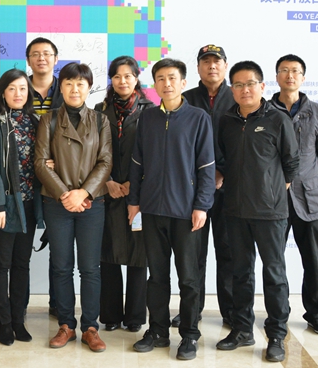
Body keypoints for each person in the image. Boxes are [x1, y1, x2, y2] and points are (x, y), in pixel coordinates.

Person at [127, 58, 215, 361]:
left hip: (186, 212)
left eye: (172, 78)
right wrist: (134, 202)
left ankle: (189, 334)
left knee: (189, 278)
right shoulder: (147, 118)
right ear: (155, 84)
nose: (167, 83)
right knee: (157, 277)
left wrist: (202, 205)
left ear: (183, 82)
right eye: (161, 78)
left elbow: (206, 167)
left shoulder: (198, 118)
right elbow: (137, 163)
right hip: (152, 210)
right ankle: (158, 330)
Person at [215, 61, 299, 363]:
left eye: (250, 84)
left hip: (270, 213)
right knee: (240, 273)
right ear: (232, 89)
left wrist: (272, 191)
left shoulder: (277, 119)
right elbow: (222, 160)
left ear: (262, 86)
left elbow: (291, 163)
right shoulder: (226, 121)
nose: (245, 90)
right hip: (235, 211)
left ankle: (276, 334)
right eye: (238, 85)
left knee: (274, 274)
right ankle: (242, 329)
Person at [34, 62, 112, 352]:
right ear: (61, 87)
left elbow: (106, 161)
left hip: (92, 202)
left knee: (90, 268)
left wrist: (83, 192)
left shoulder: (101, 120)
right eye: (68, 83)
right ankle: (66, 325)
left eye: (80, 83)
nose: (74, 89)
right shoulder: (49, 120)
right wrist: (66, 194)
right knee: (62, 266)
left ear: (89, 87)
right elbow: (40, 163)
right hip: (57, 202)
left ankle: (91, 327)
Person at [270, 54, 318, 334]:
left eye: (295, 71)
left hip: (309, 197)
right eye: (284, 70)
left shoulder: (317, 111)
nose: (290, 75)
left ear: (303, 77)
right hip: (274, 197)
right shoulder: (265, 110)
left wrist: (302, 178)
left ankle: (316, 313)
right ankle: (278, 313)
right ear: (277, 77)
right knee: (275, 260)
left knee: (313, 258)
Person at [0, 69, 44, 345]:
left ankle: (19, 320)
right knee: (2, 263)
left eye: (22, 88)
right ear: (3, 93)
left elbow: (43, 157)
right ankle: (4, 322)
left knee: (22, 264)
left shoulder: (36, 122)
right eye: (12, 89)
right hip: (5, 205)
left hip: (29, 204)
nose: (18, 94)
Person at [94, 56, 152, 333]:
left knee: (139, 256)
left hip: (139, 195)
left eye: (128, 75)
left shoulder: (151, 111)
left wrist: (134, 184)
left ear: (136, 78)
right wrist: (107, 182)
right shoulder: (99, 111)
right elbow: (90, 152)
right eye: (117, 76)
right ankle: (110, 315)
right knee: (108, 254)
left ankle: (135, 317)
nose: (122, 81)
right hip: (106, 193)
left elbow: (156, 154)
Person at [181, 44, 235, 329]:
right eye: (206, 62)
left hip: (229, 190)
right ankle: (192, 310)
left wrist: (222, 172)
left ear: (225, 65)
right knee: (193, 255)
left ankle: (230, 312)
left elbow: (242, 143)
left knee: (227, 252)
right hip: (192, 191)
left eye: (217, 61)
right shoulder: (186, 99)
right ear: (198, 68)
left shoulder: (237, 96)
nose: (212, 66)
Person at [26, 36, 63, 317]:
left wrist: (58, 162)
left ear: (55, 59)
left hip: (60, 177)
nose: (42, 58)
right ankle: (19, 306)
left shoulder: (68, 89)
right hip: (24, 177)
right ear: (28, 60)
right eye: (36, 54)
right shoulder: (18, 87)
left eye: (47, 53)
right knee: (22, 246)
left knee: (59, 247)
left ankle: (58, 304)